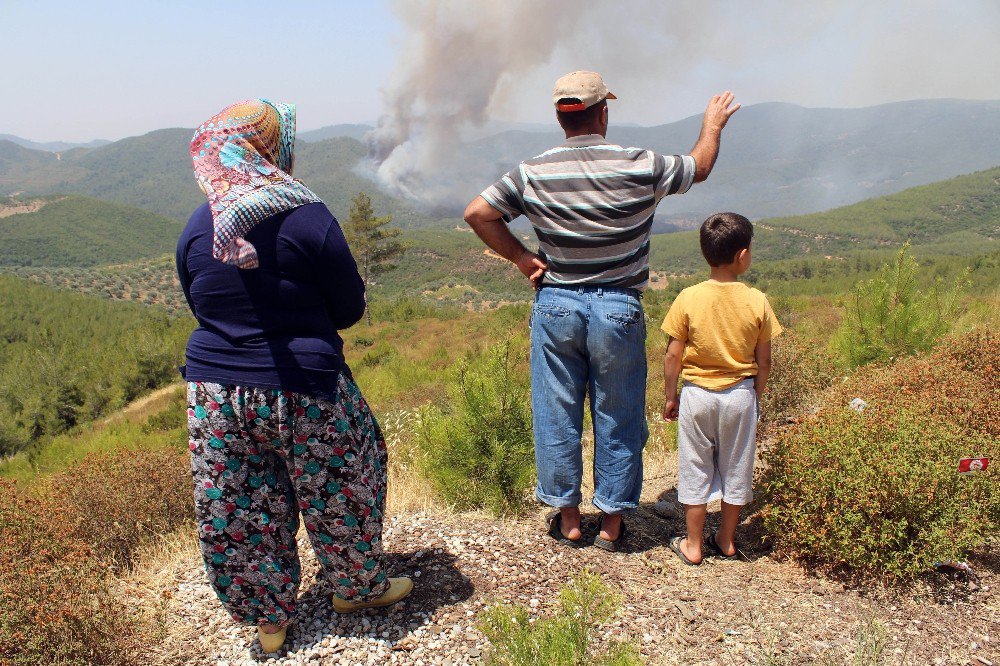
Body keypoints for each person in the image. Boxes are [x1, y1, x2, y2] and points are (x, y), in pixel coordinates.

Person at [463, 71, 739, 549]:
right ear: (604, 113)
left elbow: (477, 213)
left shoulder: (532, 171)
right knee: (619, 413)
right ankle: (611, 524)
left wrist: (522, 257)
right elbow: (700, 166)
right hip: (618, 305)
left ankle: (569, 519)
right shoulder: (640, 164)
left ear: (559, 117)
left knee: (557, 411)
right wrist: (712, 124)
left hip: (555, 304)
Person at [177, 99, 412, 654]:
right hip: (304, 386)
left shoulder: (196, 224)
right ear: (271, 149)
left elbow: (199, 303)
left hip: (214, 391)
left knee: (239, 501)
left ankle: (269, 621)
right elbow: (349, 307)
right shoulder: (306, 215)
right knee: (345, 480)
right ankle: (354, 588)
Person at [660, 212, 783, 565]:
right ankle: (726, 540)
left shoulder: (687, 297)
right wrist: (754, 396)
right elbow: (765, 359)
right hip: (739, 393)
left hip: (697, 394)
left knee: (695, 467)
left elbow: (672, 355)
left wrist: (671, 397)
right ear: (742, 255)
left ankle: (694, 545)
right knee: (736, 466)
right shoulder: (757, 299)